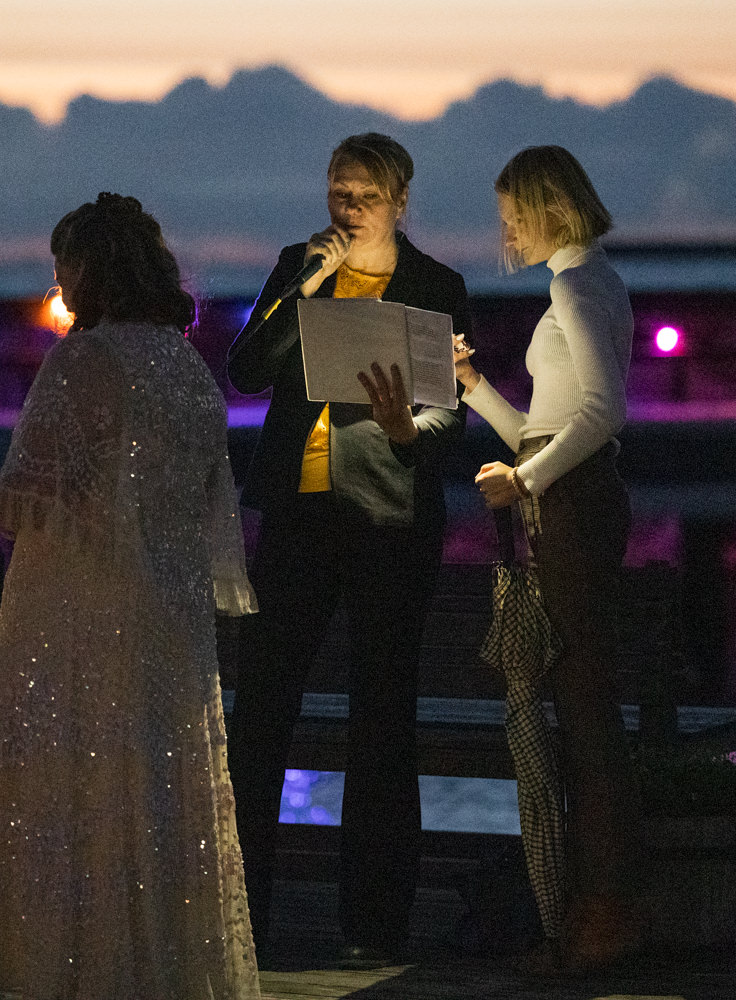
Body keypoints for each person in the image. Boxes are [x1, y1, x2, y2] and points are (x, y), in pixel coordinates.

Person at [0, 193, 260, 999]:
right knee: (157, 795)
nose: (57, 285)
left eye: (63, 267)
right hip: (168, 613)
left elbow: (31, 489)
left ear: (88, 269)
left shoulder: (87, 360)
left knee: (75, 781)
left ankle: (74, 966)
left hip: (80, 611)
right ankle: (154, 962)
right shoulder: (184, 365)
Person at [225, 132, 471, 967]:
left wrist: (410, 426)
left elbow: (449, 420)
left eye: (365, 195)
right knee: (261, 710)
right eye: (338, 192)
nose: (349, 209)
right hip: (299, 511)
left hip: (390, 518)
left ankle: (374, 924)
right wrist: (305, 289)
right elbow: (247, 371)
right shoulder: (301, 264)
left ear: (400, 200)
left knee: (381, 715)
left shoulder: (436, 285)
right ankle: (241, 914)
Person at [452, 144, 642, 971]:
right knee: (580, 703)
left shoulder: (573, 285)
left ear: (545, 206)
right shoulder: (592, 280)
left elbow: (600, 413)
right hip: (569, 499)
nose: (504, 230)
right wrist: (472, 389)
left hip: (571, 506)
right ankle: (594, 908)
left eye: (510, 215)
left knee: (585, 710)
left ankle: (604, 914)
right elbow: (554, 419)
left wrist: (524, 478)